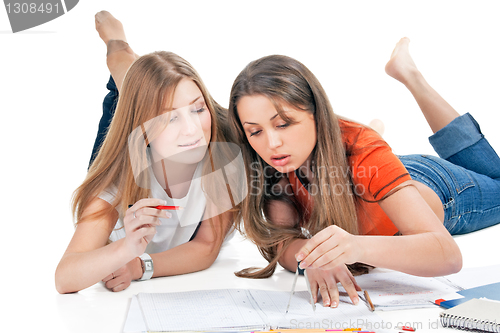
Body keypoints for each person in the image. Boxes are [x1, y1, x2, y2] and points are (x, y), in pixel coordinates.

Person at [227, 38, 500, 309]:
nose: (271, 143)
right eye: (255, 131)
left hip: (439, 190)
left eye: (284, 124)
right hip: (380, 172)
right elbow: (283, 243)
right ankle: (377, 129)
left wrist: (355, 247)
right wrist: (313, 259)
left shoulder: (361, 149)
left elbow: (448, 256)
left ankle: (411, 76)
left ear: (317, 114)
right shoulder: (273, 161)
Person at [55, 11, 238, 293]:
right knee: (125, 84)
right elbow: (65, 278)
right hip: (129, 142)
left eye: (198, 108)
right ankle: (117, 43)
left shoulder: (223, 144)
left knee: (146, 84)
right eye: (170, 117)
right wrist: (125, 248)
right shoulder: (118, 177)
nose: (192, 130)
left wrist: (140, 265)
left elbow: (206, 246)